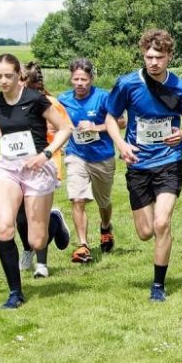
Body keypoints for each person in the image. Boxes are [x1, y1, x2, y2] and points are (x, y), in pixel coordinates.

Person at [0, 53, 72, 309]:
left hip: (38, 168)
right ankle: (15, 293)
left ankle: (54, 221)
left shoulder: (35, 100)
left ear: (19, 74)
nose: (3, 81)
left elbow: (65, 128)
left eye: (8, 75)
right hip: (8, 169)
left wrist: (45, 155)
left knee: (36, 241)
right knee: (5, 228)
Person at [105, 29, 182, 301]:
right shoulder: (127, 84)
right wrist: (121, 145)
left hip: (169, 161)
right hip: (137, 163)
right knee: (145, 232)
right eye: (148, 56)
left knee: (161, 223)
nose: (153, 62)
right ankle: (155, 248)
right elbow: (111, 118)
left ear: (169, 56)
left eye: (159, 57)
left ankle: (158, 286)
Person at [58, 57, 119, 263]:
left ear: (91, 78)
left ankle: (105, 227)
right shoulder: (63, 99)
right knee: (77, 198)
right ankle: (83, 245)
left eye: (84, 79)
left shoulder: (103, 97)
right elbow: (56, 124)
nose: (80, 83)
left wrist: (96, 127)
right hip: (76, 155)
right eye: (76, 79)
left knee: (104, 201)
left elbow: (121, 121)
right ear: (71, 78)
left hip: (102, 156)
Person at [16, 62, 72, 276]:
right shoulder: (11, 103)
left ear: (30, 83)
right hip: (19, 165)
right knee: (21, 218)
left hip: (45, 162)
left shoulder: (49, 103)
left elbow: (65, 128)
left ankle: (41, 264)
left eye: (20, 80)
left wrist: (49, 151)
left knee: (37, 215)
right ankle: (31, 246)